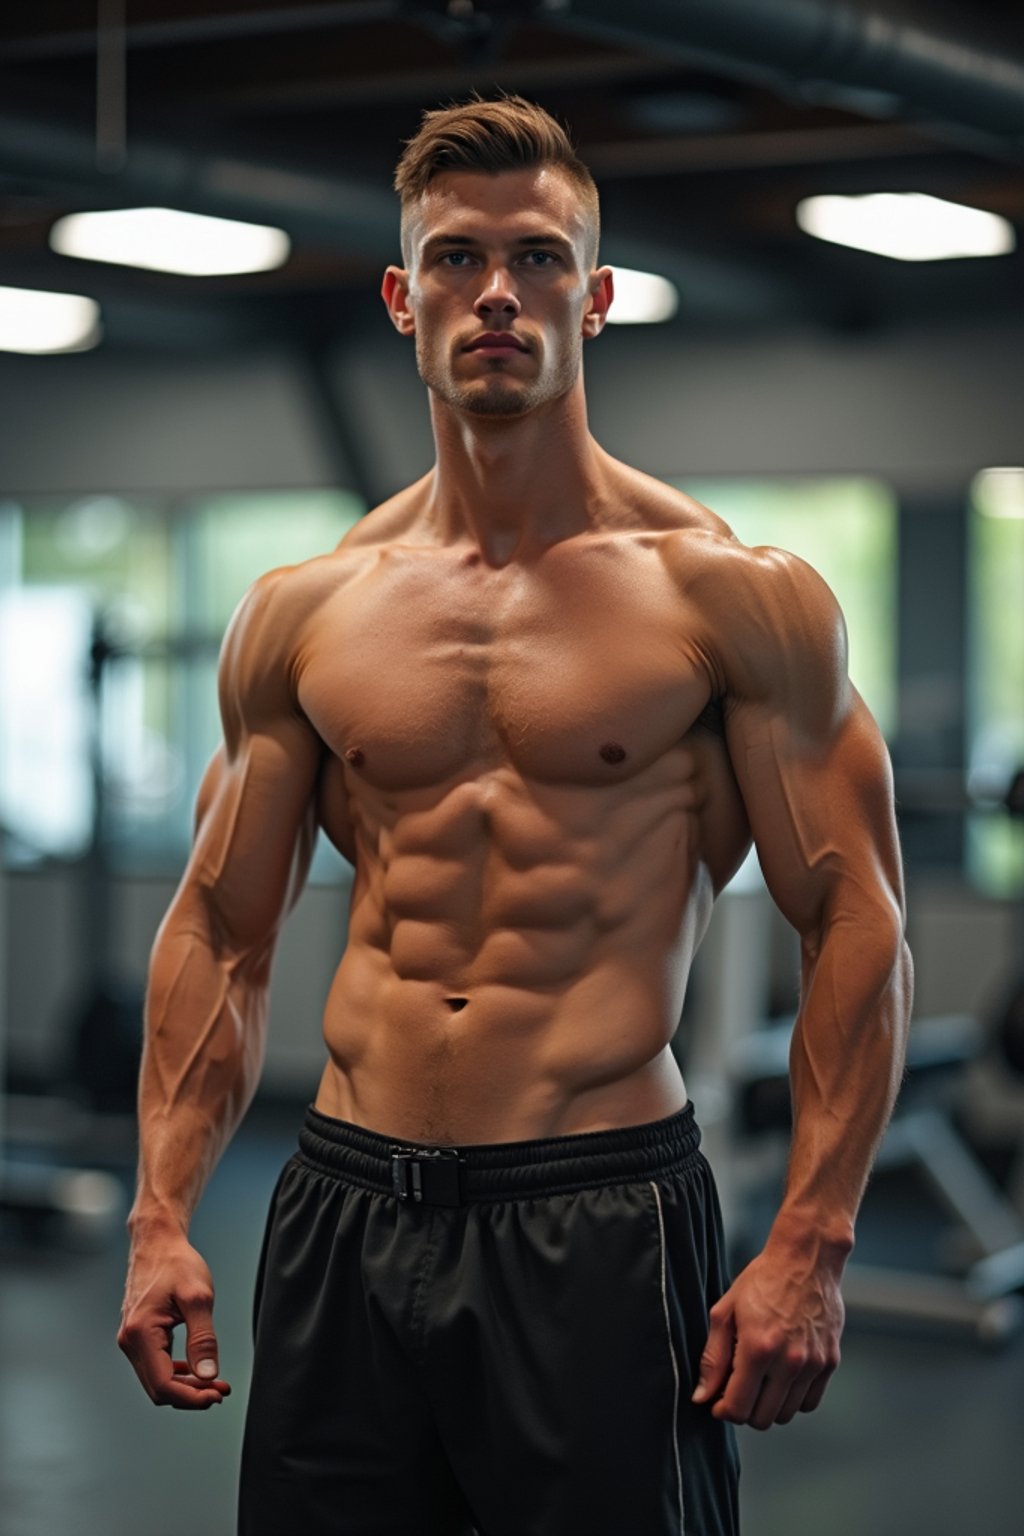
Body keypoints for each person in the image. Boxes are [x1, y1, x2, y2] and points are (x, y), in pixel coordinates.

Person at [118, 94, 913, 1536]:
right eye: (456, 258)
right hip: (345, 1204)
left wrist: (813, 1234)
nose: (498, 292)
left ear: (596, 298)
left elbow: (857, 919)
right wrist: (160, 1214)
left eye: (541, 257)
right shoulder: (304, 614)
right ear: (399, 297)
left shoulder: (732, 596)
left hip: (596, 1210)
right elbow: (221, 930)